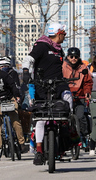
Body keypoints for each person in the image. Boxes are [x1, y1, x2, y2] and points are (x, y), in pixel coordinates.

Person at [26, 21, 73, 166]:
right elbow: (29, 59)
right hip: (42, 85)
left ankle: (67, 128)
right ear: (58, 34)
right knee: (41, 118)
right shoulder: (41, 45)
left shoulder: (59, 49)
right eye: (63, 34)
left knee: (68, 97)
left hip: (58, 83)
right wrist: (25, 73)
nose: (65, 36)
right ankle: (39, 151)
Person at [63, 47, 93, 152]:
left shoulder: (83, 67)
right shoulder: (63, 66)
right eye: (71, 57)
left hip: (79, 97)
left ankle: (84, 137)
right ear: (67, 57)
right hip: (66, 96)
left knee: (81, 117)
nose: (73, 59)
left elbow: (88, 82)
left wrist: (87, 93)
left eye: (76, 57)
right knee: (64, 120)